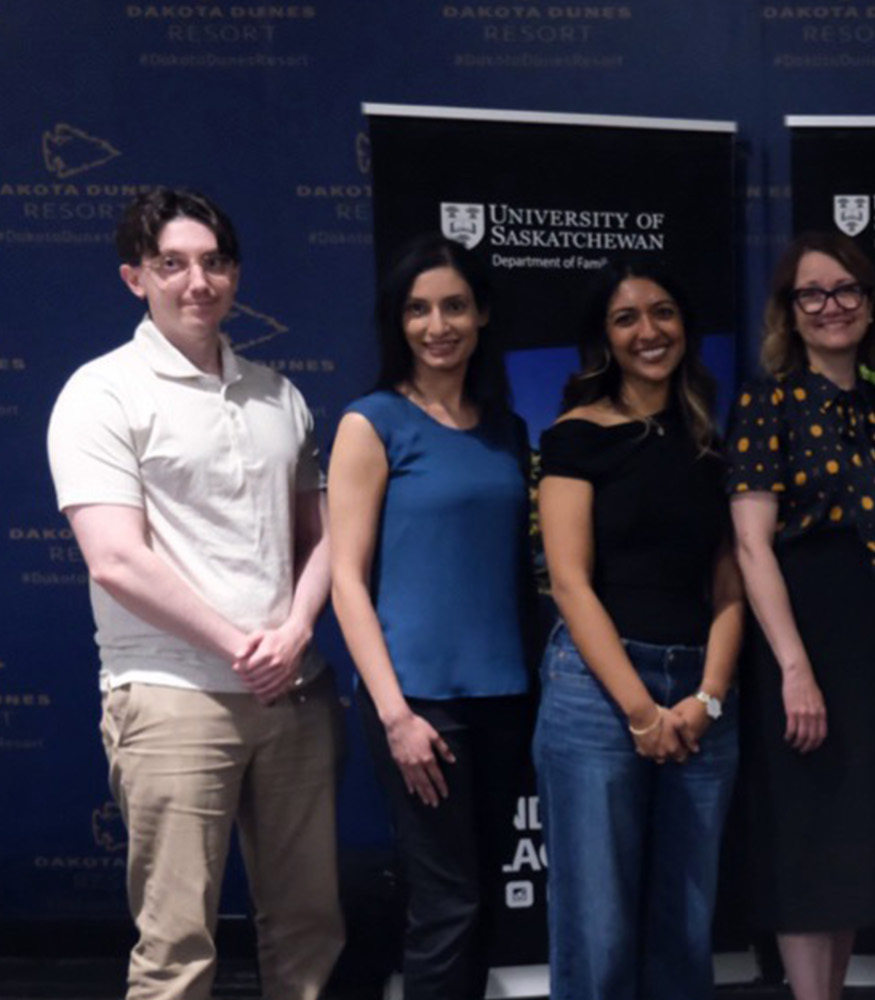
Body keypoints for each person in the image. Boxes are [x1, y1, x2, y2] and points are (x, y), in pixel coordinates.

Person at [49, 188, 342, 1000]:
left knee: (310, 928)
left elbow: (322, 537)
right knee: (176, 949)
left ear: (235, 273)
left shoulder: (276, 393)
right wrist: (241, 646)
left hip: (294, 690)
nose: (196, 281)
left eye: (213, 262)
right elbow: (115, 559)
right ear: (133, 278)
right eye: (170, 264)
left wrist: (292, 635)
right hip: (175, 699)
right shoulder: (101, 393)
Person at [727, 232, 875, 1000]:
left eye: (846, 290)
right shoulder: (765, 403)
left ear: (870, 302)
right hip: (799, 639)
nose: (831, 307)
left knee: (853, 848)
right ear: (789, 310)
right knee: (807, 845)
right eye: (811, 294)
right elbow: (753, 549)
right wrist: (793, 669)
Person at [328, 235, 533, 1000]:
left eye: (453, 305)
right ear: (398, 322)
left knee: (479, 903)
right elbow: (347, 580)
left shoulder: (506, 430)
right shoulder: (371, 422)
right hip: (419, 704)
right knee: (445, 907)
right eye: (418, 309)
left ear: (481, 315)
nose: (437, 324)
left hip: (507, 701)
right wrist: (395, 715)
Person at [534, 260, 743, 1000]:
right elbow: (569, 583)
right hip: (598, 697)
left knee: (685, 928)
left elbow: (729, 582)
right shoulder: (575, 437)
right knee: (600, 932)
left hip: (701, 699)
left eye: (662, 312)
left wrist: (707, 698)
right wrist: (641, 712)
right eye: (627, 319)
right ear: (604, 338)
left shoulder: (712, 442)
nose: (648, 331)